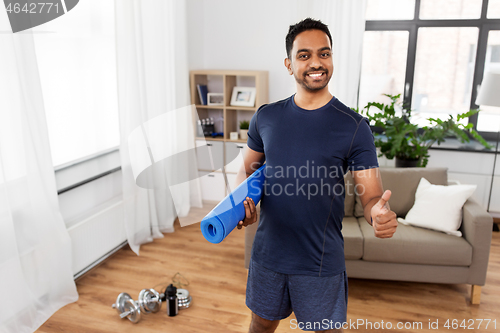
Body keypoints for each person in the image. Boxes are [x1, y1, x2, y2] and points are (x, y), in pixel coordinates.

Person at [234, 18, 398, 333]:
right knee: (260, 324)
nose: (316, 63)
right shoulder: (266, 117)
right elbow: (247, 170)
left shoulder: (354, 126)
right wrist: (244, 205)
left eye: (324, 54)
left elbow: (372, 195)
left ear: (332, 58)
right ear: (289, 64)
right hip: (268, 255)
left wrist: (378, 211)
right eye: (304, 55)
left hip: (320, 262)